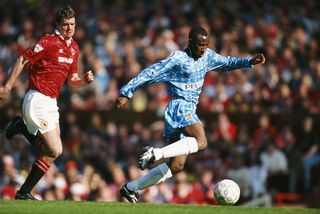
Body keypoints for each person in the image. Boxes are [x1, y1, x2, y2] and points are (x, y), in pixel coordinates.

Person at [115, 26, 265, 203]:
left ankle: (130, 188)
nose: (203, 48)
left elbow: (227, 62)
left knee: (177, 166)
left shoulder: (207, 56)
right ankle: (154, 153)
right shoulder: (178, 58)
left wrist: (249, 62)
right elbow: (152, 72)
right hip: (179, 107)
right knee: (202, 142)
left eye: (206, 44)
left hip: (187, 110)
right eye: (200, 45)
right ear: (191, 42)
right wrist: (127, 92)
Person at [0, 5, 94, 200]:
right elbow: (22, 60)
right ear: (58, 25)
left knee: (51, 152)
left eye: (72, 24)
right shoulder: (49, 41)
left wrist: (84, 81)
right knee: (56, 148)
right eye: (66, 25)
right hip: (37, 98)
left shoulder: (74, 48)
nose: (69, 28)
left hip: (52, 102)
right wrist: (7, 87)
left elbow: (72, 80)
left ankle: (24, 192)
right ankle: (22, 128)